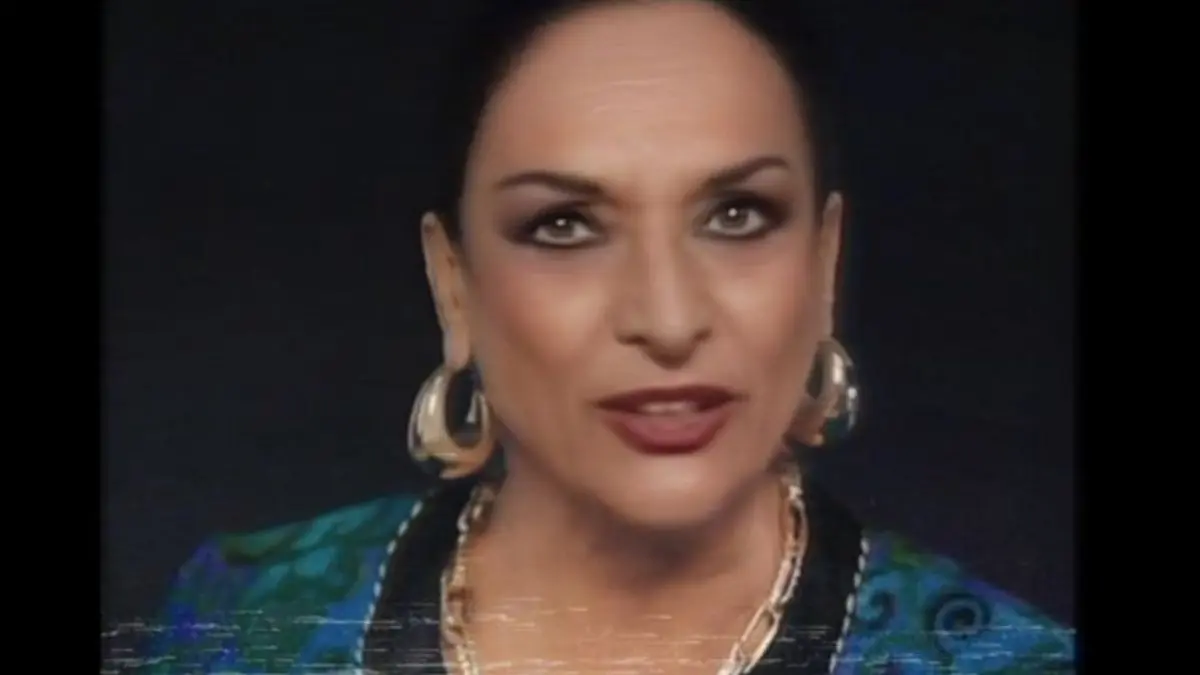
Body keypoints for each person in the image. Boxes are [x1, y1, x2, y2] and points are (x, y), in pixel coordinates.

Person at [140, 1, 1075, 672]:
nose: (667, 320)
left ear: (823, 264)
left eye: (738, 215)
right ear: (454, 283)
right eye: (564, 226)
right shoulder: (242, 619)